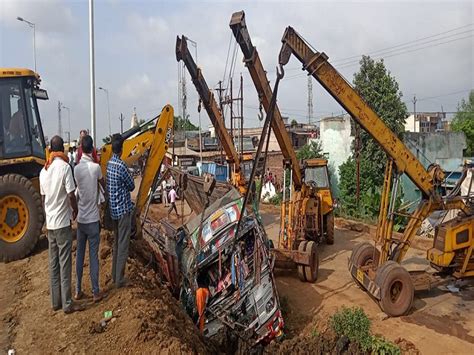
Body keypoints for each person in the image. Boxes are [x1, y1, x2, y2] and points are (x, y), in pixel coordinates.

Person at [39, 135, 83, 314]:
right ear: (62, 150)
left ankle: (55, 301)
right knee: (65, 263)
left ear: (50, 150)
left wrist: (47, 216)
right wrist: (75, 210)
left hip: (51, 224)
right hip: (63, 222)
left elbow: (43, 198)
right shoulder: (65, 168)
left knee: (53, 263)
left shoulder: (44, 171)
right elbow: (71, 194)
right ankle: (67, 303)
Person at [74, 135, 105, 302]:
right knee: (93, 257)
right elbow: (103, 184)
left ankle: (78, 290)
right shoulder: (96, 168)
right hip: (93, 220)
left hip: (81, 220)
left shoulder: (77, 169)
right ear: (92, 148)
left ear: (80, 149)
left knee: (80, 256)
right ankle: (95, 291)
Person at [106, 134, 135, 288]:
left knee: (117, 243)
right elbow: (132, 186)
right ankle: (120, 279)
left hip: (113, 212)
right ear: (122, 149)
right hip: (123, 211)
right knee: (123, 244)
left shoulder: (110, 164)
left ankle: (114, 274)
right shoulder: (121, 166)